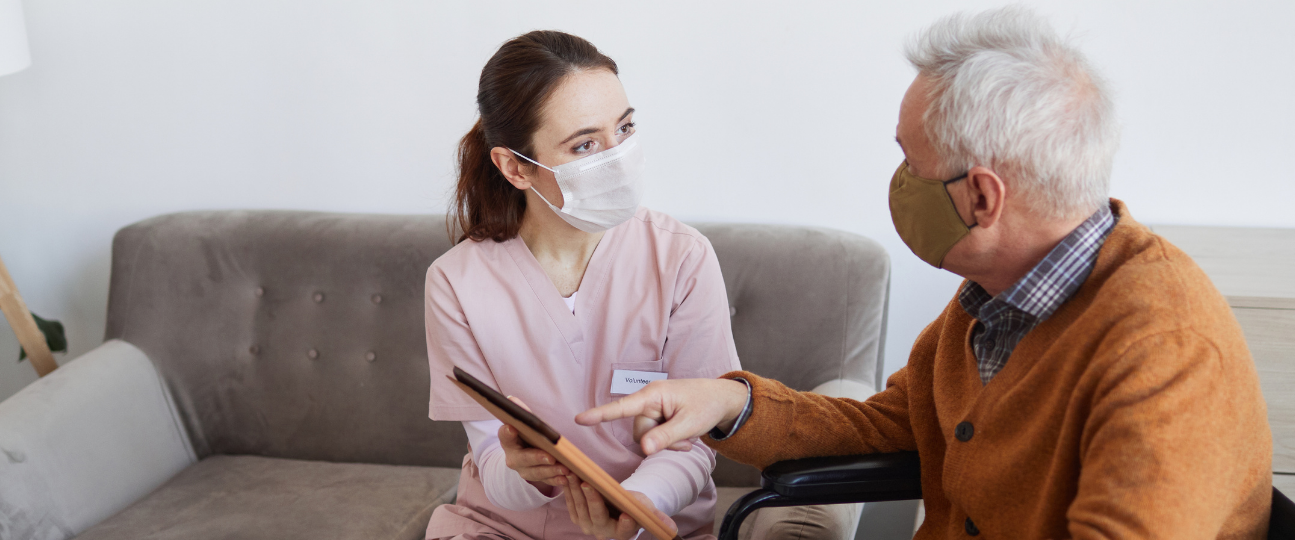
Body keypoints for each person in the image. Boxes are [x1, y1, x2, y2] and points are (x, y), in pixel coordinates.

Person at [577, 7, 1273, 538]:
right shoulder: (995, 302)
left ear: (982, 197)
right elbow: (894, 425)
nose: (899, 182)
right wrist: (730, 404)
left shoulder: (1165, 348)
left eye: (912, 163)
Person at [424, 30, 738, 540]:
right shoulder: (454, 284)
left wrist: (637, 506)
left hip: (654, 522)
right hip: (506, 527)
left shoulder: (682, 257)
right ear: (514, 166)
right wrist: (524, 475)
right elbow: (488, 454)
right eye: (586, 144)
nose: (617, 157)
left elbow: (694, 441)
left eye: (626, 128)